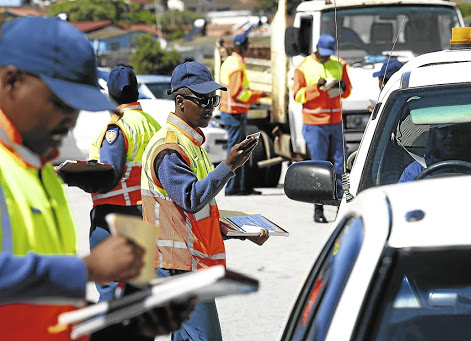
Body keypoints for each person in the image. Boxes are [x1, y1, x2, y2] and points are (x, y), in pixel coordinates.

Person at [0, 16, 190, 340]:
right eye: (60, 102)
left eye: (76, 106)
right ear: (10, 81)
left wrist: (128, 324)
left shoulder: (40, 170)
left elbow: (43, 313)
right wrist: (87, 269)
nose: (69, 120)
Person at [141, 61, 270, 341]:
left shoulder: (190, 143)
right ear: (180, 101)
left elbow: (194, 213)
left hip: (185, 264)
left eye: (214, 99)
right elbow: (191, 198)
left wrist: (238, 231)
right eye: (203, 100)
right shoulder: (170, 148)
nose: (210, 106)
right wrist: (229, 166)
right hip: (179, 268)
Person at [85, 65, 161, 303]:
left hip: (113, 216)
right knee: (136, 290)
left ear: (110, 95)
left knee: (109, 291)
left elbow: (109, 175)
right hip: (145, 213)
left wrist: (75, 174)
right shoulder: (152, 124)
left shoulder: (117, 128)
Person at [292, 33, 352, 223]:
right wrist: (315, 88)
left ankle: (342, 208)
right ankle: (318, 209)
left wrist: (343, 87)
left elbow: (348, 90)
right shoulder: (303, 67)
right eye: (323, 53)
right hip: (315, 124)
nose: (326, 57)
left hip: (335, 122)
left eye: (329, 54)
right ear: (316, 48)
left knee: (341, 166)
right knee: (319, 167)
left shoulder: (339, 64)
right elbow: (297, 96)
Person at [219, 33, 268, 196]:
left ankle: (242, 186)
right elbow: (238, 93)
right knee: (238, 151)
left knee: (240, 150)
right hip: (234, 112)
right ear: (245, 47)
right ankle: (234, 187)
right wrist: (257, 96)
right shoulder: (236, 66)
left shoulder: (230, 62)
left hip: (232, 111)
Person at [398, 122, 471, 183]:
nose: (450, 135)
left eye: (459, 129)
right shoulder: (416, 171)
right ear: (434, 133)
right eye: (443, 128)